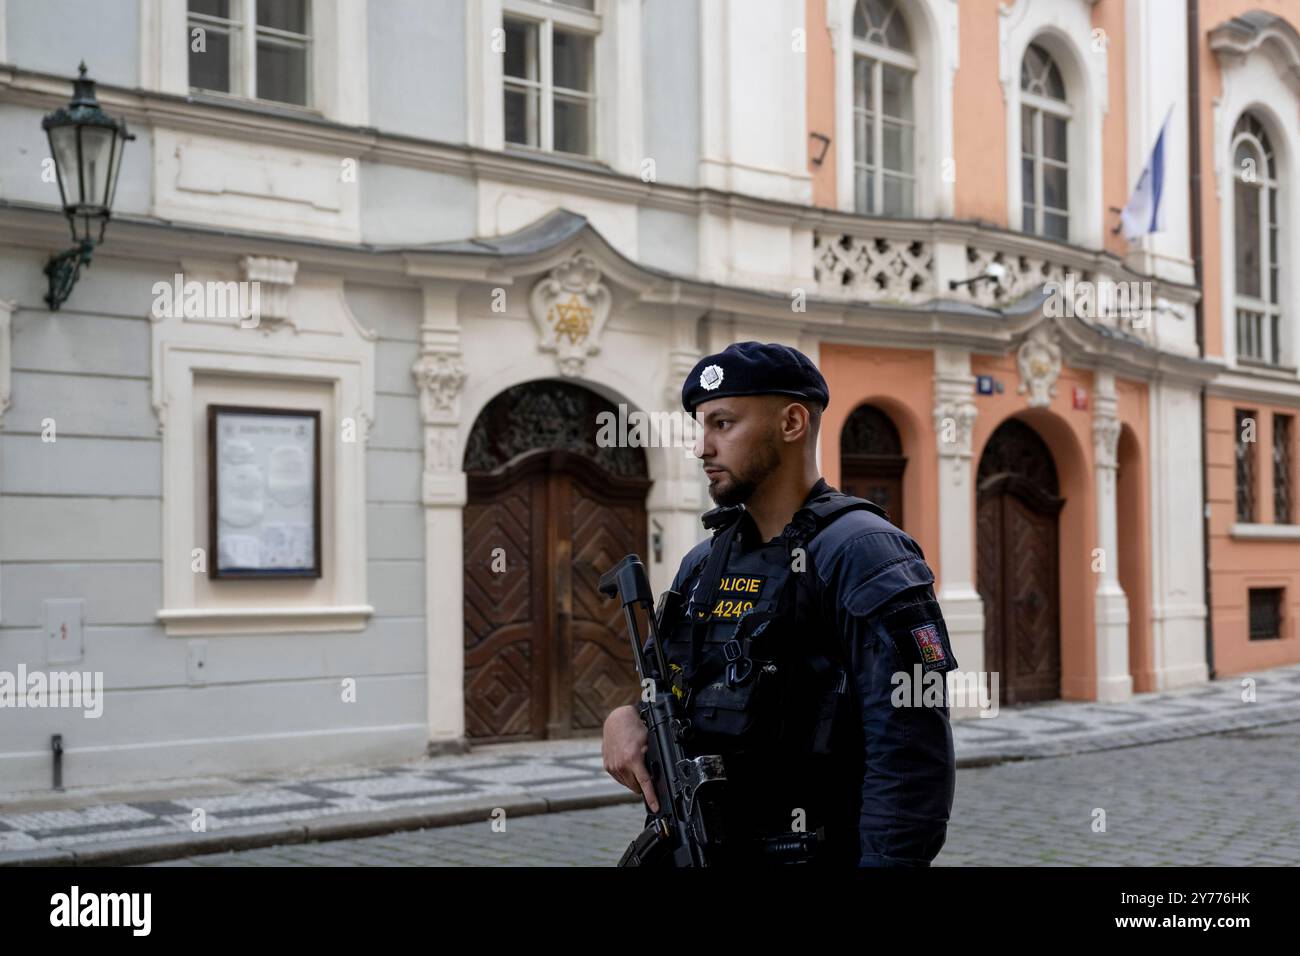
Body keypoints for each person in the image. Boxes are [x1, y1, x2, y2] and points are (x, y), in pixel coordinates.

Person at [601, 340, 958, 866]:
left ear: (792, 423)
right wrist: (625, 715)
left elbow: (911, 762)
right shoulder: (704, 563)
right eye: (703, 426)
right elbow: (672, 683)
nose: (703, 447)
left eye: (723, 424)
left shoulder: (863, 553)